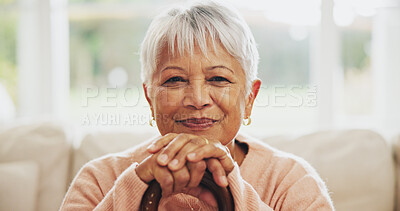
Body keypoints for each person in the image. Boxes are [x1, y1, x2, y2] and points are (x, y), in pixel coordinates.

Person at [60, 1, 334, 210]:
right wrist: (136, 189)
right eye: (175, 79)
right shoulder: (98, 179)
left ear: (250, 97)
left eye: (218, 78)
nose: (198, 99)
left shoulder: (292, 182)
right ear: (149, 97)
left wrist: (233, 194)